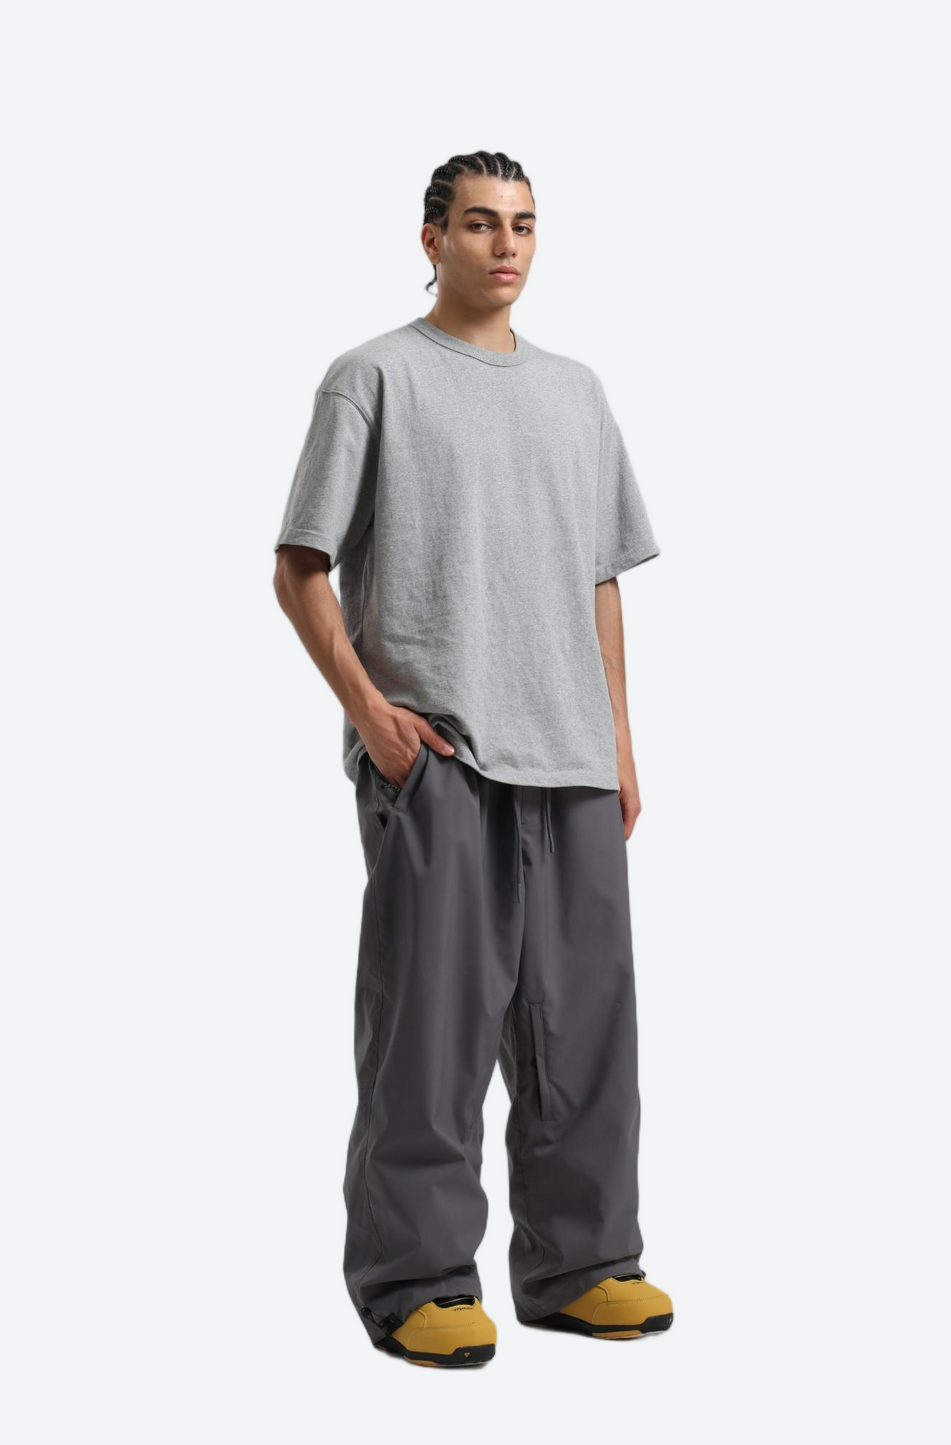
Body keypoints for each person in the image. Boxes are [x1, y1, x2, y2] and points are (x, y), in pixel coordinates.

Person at [272, 149, 672, 1368]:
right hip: (439, 750)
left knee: (584, 1032)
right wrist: (372, 714)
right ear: (432, 238)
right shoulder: (373, 377)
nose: (506, 246)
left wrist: (618, 736)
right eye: (483, 224)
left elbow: (598, 578)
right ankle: (416, 1278)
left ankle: (582, 1264)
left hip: (572, 757)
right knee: (429, 1033)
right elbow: (299, 565)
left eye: (525, 225)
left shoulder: (576, 392)